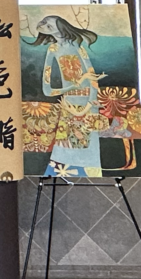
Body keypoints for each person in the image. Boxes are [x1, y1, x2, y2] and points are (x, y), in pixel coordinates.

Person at [29, 14, 110, 179]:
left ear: (61, 28)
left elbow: (93, 80)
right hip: (69, 106)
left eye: (49, 25)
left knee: (88, 152)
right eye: (44, 23)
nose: (44, 25)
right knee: (63, 152)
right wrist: (76, 84)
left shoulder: (78, 47)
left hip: (88, 105)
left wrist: (87, 108)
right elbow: (47, 89)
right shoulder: (53, 49)